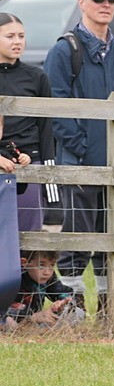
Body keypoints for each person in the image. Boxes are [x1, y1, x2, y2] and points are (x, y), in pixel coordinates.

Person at [43, 0, 114, 319]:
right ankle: (71, 306)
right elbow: (56, 103)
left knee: (112, 238)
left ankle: (110, 308)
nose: (106, 5)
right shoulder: (64, 50)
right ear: (81, 2)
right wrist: (81, 148)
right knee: (78, 236)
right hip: (80, 162)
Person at [0, 12, 54, 231]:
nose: (17, 42)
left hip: (28, 162)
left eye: (21, 36)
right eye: (10, 36)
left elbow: (46, 127)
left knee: (29, 233)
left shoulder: (36, 76)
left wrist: (46, 171)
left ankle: (24, 267)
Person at [3, 251, 81, 329]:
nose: (47, 272)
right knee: (9, 323)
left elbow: (63, 293)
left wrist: (63, 302)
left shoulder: (48, 277)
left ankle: (39, 331)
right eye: (41, 265)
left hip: (36, 320)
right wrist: (33, 316)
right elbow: (4, 310)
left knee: (78, 313)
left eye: (51, 265)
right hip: (13, 318)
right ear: (24, 263)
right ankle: (24, 331)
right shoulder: (12, 278)